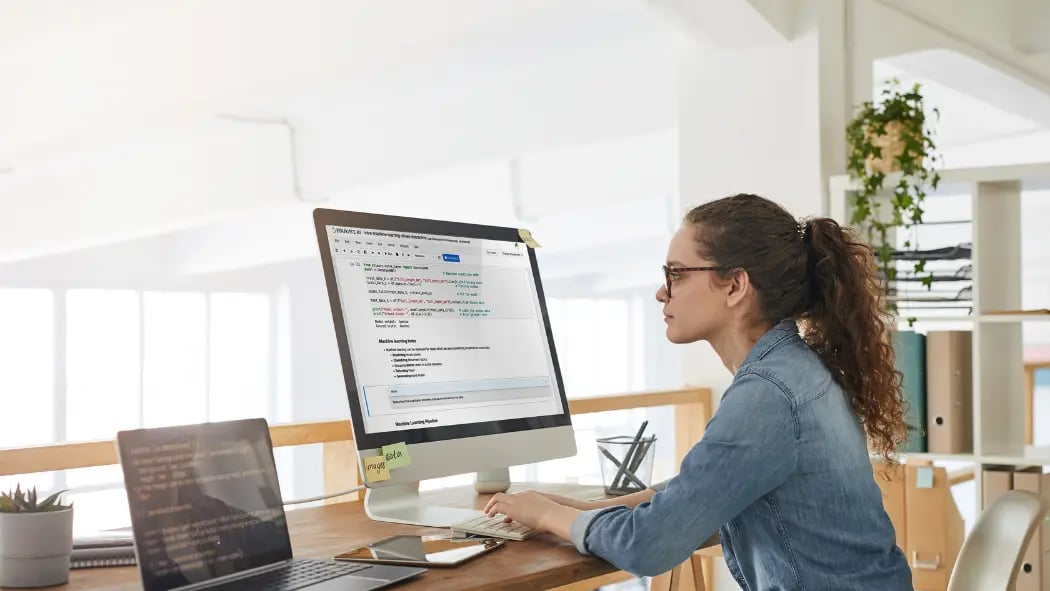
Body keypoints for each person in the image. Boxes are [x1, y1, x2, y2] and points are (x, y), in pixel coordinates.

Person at [485, 193, 912, 589]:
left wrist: (545, 513)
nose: (660, 291)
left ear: (735, 286)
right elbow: (714, 485)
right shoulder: (792, 370)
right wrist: (580, 510)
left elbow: (648, 546)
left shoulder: (769, 393)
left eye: (676, 274)